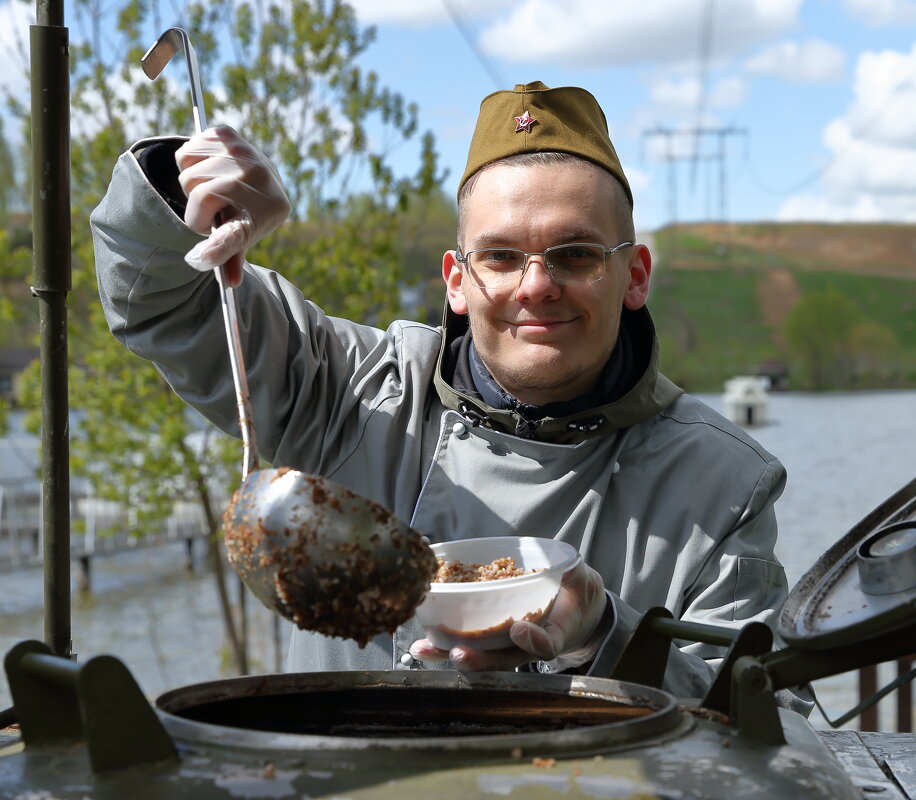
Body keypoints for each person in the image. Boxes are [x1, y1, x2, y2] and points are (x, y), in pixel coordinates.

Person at [92, 81, 788, 698]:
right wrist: (192, 189)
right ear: (456, 279)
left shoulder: (723, 482)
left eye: (575, 254)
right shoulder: (345, 387)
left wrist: (606, 636)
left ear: (634, 274)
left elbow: (772, 725)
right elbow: (155, 300)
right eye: (501, 256)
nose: (536, 285)